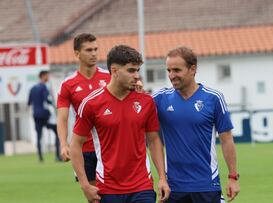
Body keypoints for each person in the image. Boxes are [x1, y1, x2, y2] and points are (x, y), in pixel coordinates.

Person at [70, 44, 170, 203]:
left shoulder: (146, 102)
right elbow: (75, 144)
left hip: (142, 186)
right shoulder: (91, 104)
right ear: (115, 71)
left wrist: (162, 178)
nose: (137, 76)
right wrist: (84, 184)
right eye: (131, 70)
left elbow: (154, 140)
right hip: (108, 188)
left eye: (138, 70)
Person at [152, 46, 240, 203]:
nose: (172, 75)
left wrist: (233, 177)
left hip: (206, 184)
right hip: (173, 187)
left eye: (177, 70)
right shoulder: (159, 99)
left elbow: (227, 139)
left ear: (192, 69)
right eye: (169, 70)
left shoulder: (213, 98)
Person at [57, 33, 110, 186]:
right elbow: (62, 118)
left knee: (112, 195)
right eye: (88, 50)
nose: (93, 54)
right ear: (77, 54)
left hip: (108, 146)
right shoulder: (68, 84)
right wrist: (63, 144)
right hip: (82, 149)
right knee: (94, 196)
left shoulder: (110, 78)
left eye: (95, 49)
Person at [28, 70, 60, 162]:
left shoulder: (33, 88)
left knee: (38, 135)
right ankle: (57, 156)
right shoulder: (44, 87)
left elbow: (29, 102)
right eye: (47, 76)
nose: (48, 78)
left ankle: (40, 157)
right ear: (43, 76)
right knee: (57, 132)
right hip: (45, 115)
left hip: (36, 115)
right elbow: (47, 100)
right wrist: (55, 105)